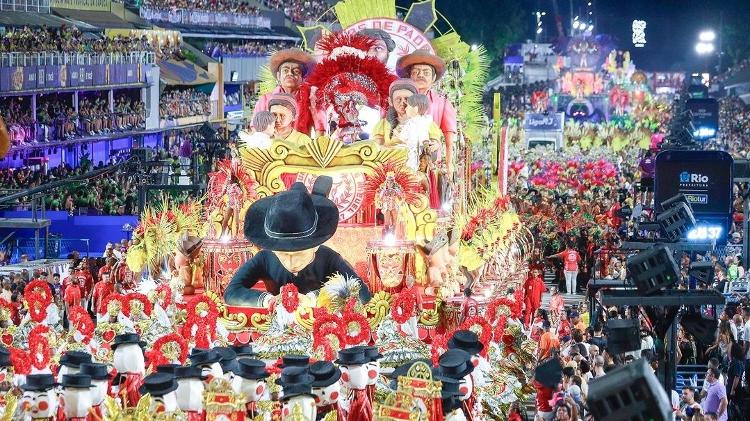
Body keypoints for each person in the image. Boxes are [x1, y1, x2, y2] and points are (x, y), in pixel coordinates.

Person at [224, 176, 371, 307]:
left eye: (299, 253)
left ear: (316, 246)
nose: (291, 263)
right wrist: (268, 300)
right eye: (282, 254)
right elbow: (231, 292)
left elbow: (362, 293)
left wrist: (313, 299)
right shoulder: (264, 258)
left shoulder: (329, 258)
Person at [396, 51, 455, 175]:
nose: (420, 75)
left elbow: (449, 140)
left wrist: (449, 164)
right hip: (401, 162)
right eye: (416, 72)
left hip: (431, 163)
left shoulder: (443, 103)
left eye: (426, 72)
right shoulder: (398, 100)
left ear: (433, 78)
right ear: (409, 76)